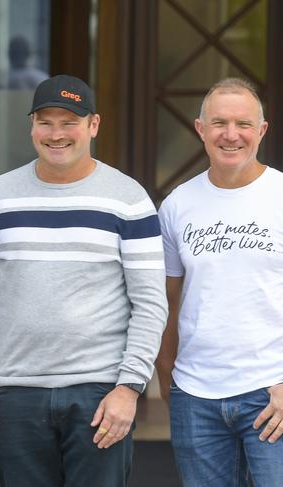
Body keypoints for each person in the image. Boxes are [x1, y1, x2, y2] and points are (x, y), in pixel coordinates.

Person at [0, 74, 167, 487]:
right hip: (17, 392)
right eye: (45, 122)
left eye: (69, 122)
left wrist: (129, 388)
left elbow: (151, 303)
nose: (56, 134)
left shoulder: (129, 199)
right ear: (31, 126)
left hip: (100, 393)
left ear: (94, 125)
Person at [156, 78, 283, 486]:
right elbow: (168, 304)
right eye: (219, 123)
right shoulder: (177, 205)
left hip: (271, 393)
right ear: (200, 129)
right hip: (195, 398)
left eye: (244, 124)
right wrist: (169, 383)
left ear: (262, 131)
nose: (231, 135)